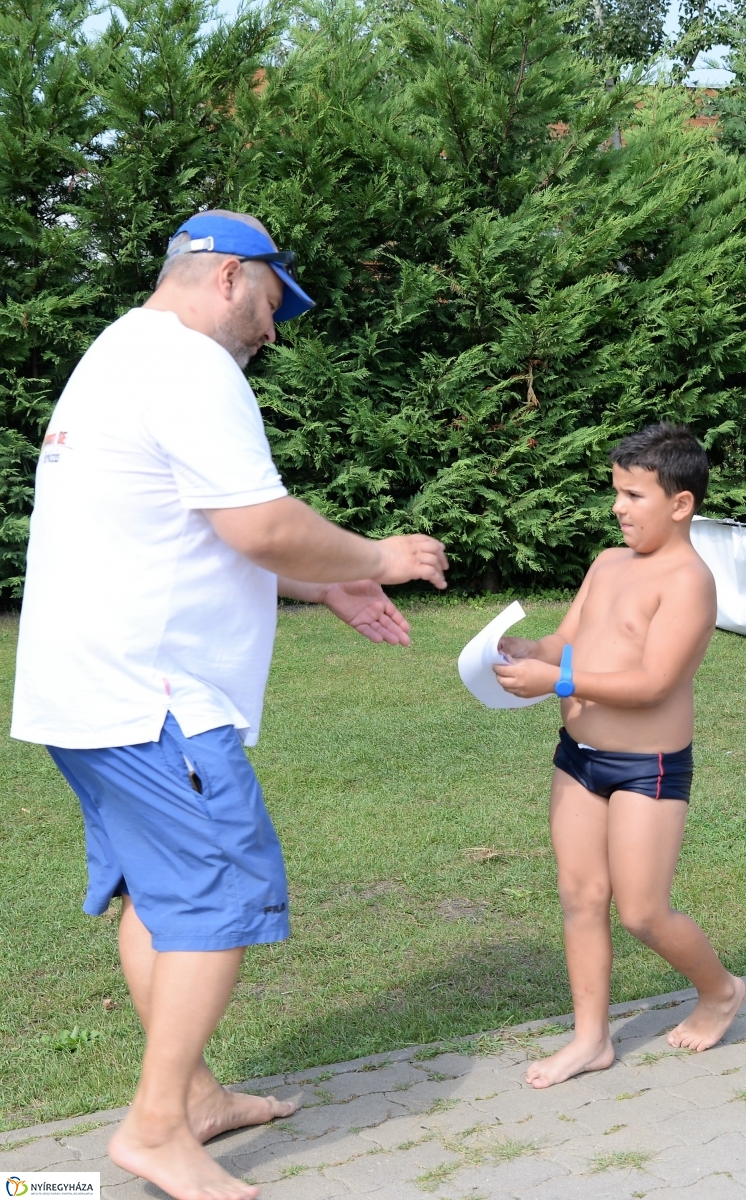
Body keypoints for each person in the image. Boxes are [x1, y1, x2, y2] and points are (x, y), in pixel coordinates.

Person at [11, 210, 449, 1200]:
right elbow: (259, 523)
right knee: (214, 902)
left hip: (84, 693)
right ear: (227, 278)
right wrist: (376, 557)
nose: (271, 328)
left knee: (155, 896)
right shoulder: (190, 367)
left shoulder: (119, 353)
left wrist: (320, 586)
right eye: (269, 301)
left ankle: (193, 1095)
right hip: (154, 700)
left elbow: (188, 532)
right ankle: (156, 1127)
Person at [493, 422, 745, 1089]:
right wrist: (531, 653)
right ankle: (590, 1040)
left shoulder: (689, 581)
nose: (618, 508)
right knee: (580, 895)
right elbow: (568, 640)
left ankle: (720, 991)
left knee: (641, 911)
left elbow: (654, 683)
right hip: (578, 757)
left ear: (680, 503)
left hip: (646, 768)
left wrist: (561, 681)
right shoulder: (607, 564)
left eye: (634, 495)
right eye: (617, 493)